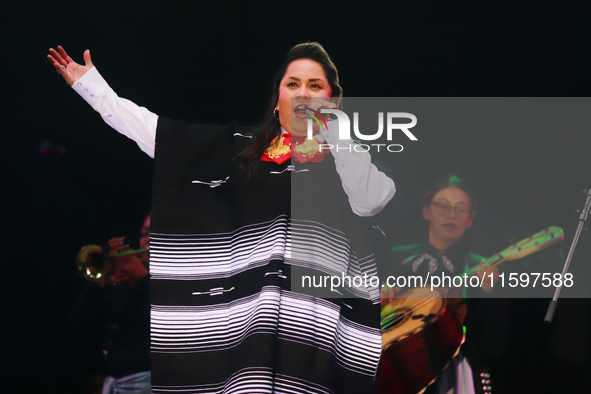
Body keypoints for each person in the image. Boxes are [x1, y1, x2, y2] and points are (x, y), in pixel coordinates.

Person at [49, 43, 396, 393]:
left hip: (313, 335)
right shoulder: (239, 151)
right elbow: (154, 133)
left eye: (315, 86)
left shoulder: (350, 162)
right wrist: (92, 87)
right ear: (277, 102)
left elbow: (372, 200)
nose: (303, 92)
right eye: (292, 84)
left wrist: (336, 133)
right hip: (246, 334)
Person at [377, 176, 507, 394]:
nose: (451, 214)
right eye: (443, 206)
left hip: (455, 376)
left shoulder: (483, 267)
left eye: (460, 209)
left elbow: (494, 346)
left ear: (470, 218)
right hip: (396, 370)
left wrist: (489, 294)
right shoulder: (393, 258)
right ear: (426, 211)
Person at [71, 215, 152, 394]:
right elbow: (78, 319)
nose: (147, 240)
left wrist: (141, 277)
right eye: (145, 234)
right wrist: (102, 277)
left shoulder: (180, 280)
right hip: (116, 383)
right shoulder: (125, 283)